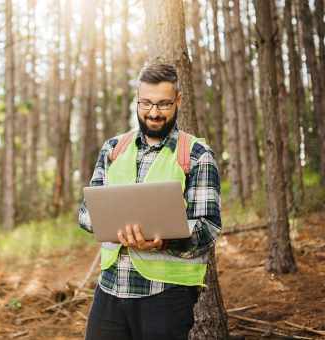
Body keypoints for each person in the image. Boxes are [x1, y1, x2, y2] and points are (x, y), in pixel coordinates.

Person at [78, 60, 222, 340]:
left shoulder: (196, 154)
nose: (153, 113)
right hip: (110, 289)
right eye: (146, 103)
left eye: (163, 104)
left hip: (166, 295)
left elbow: (209, 228)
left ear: (178, 100)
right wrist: (106, 223)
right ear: (137, 100)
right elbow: (85, 213)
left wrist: (164, 240)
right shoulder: (113, 148)